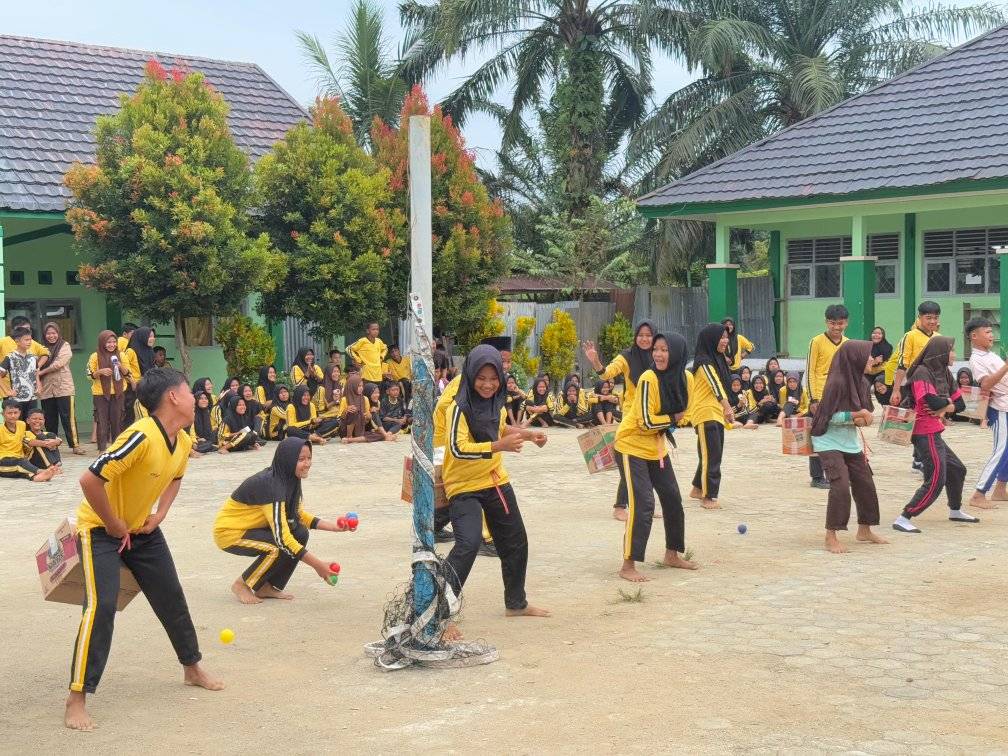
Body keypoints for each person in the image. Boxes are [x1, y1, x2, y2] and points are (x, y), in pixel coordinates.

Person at [64, 368, 222, 731]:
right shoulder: (140, 436)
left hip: (141, 531)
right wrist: (114, 523)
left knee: (171, 596)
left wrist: (160, 514)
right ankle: (77, 697)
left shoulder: (182, 439)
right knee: (101, 606)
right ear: (172, 397)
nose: (194, 395)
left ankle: (192, 667)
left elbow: (176, 477)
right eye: (188, 389)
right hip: (101, 530)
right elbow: (89, 479)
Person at [441, 345, 550, 641]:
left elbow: (498, 428)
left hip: (494, 480)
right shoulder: (458, 408)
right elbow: (457, 448)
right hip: (463, 486)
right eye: (481, 378)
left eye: (493, 378)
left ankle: (516, 603)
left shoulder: (496, 404)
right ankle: (439, 614)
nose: (487, 384)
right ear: (471, 376)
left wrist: (530, 435)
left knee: (515, 540)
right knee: (468, 543)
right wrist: (498, 447)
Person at [213, 437, 348, 604]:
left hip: (252, 528)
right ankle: (242, 585)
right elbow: (282, 538)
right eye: (300, 459)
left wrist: (334, 527)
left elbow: (298, 516)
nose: (307, 464)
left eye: (309, 458)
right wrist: (318, 565)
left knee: (299, 532)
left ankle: (266, 586)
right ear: (287, 460)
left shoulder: (290, 479)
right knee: (277, 547)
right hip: (230, 533)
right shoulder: (271, 485)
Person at [614, 333, 697, 582]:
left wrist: (677, 418)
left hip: (656, 447)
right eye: (656, 350)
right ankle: (628, 564)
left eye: (664, 350)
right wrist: (673, 418)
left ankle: (672, 554)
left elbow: (688, 414)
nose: (658, 355)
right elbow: (646, 421)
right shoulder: (649, 379)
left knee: (672, 498)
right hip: (630, 445)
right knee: (644, 504)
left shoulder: (686, 378)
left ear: (677, 354)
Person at [891, 337, 978, 533]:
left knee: (957, 469)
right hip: (923, 431)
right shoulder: (922, 372)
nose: (954, 354)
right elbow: (931, 401)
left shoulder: (945, 372)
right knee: (937, 477)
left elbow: (961, 405)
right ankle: (905, 516)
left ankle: (955, 510)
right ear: (941, 352)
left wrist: (944, 406)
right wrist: (945, 405)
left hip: (935, 430)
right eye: (952, 350)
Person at [810, 340, 888, 553]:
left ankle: (865, 529)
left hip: (850, 442)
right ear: (855, 358)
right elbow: (825, 416)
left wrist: (866, 419)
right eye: (868, 356)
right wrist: (856, 416)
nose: (872, 359)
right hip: (827, 440)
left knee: (865, 483)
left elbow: (864, 413)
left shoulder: (862, 382)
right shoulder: (836, 381)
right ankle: (831, 535)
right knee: (840, 485)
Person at [583, 320, 655, 521]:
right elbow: (607, 373)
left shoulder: (658, 355)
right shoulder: (627, 356)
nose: (644, 339)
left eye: (649, 335)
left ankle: (644, 504)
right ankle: (619, 506)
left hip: (654, 416)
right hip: (633, 416)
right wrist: (596, 361)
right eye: (641, 334)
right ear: (635, 336)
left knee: (651, 462)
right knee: (630, 461)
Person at [685, 323, 734, 510]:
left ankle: (698, 488)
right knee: (711, 456)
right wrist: (728, 407)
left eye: (726, 337)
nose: (725, 341)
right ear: (711, 340)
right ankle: (709, 496)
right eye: (721, 337)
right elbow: (715, 385)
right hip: (705, 414)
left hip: (715, 413)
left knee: (712, 453)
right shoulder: (704, 361)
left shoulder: (717, 359)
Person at [805, 304, 849, 489]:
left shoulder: (848, 343)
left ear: (846, 323)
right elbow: (810, 371)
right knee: (818, 435)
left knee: (839, 434)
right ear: (826, 322)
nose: (836, 327)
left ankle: (837, 473)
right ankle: (816, 476)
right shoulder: (816, 341)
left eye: (840, 323)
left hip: (840, 396)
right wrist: (813, 399)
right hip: (820, 395)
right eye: (832, 323)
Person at [966, 317, 1008, 509]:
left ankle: (1000, 489)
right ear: (974, 336)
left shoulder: (991, 355)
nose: (991, 336)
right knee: (1000, 450)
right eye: (987, 332)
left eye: (991, 332)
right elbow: (986, 384)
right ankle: (979, 493)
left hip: (1006, 404)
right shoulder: (976, 359)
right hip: (999, 408)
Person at [37, 321, 82, 454]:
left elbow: (59, 363)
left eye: (54, 333)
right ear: (44, 335)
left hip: (64, 388)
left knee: (68, 417)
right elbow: (34, 363)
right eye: (48, 333)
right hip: (46, 389)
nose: (51, 336)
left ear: (58, 333)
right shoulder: (40, 348)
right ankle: (52, 444)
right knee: (50, 419)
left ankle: (75, 445)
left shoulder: (65, 345)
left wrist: (41, 371)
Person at [87, 330, 130, 452]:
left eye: (114, 342)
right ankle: (102, 449)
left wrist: (119, 365)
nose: (111, 345)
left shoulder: (121, 355)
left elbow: (127, 372)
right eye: (108, 342)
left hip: (118, 393)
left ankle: (117, 448)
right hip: (100, 394)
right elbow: (89, 375)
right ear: (102, 343)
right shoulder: (94, 356)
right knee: (102, 421)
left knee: (117, 421)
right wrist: (100, 372)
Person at [0, 398, 58, 481]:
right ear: (3, 414)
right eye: (9, 413)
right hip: (3, 462)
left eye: (15, 413)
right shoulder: (0, 429)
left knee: (22, 467)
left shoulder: (22, 424)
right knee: (20, 463)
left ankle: (36, 477)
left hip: (20, 460)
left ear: (20, 413)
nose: (13, 415)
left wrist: (55, 441)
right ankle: (40, 471)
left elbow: (29, 440)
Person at [0, 325, 43, 420]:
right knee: (18, 424)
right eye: (26, 340)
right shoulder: (10, 357)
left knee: (31, 423)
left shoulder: (33, 358)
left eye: (30, 339)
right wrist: (7, 391)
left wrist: (39, 386)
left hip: (32, 398)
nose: (29, 342)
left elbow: (36, 374)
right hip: (17, 400)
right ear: (17, 341)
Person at [335, 376, 390, 443]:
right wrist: (346, 410)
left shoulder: (365, 399)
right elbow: (339, 419)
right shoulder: (345, 399)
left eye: (362, 386)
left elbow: (367, 418)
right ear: (352, 386)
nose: (361, 388)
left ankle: (350, 440)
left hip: (359, 428)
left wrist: (368, 416)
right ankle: (349, 436)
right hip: (345, 430)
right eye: (359, 386)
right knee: (353, 411)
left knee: (380, 435)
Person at [122, 327, 156, 424]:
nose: (152, 339)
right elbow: (125, 369)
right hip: (133, 389)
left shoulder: (150, 351)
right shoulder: (130, 351)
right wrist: (133, 382)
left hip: (146, 386)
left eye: (153, 336)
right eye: (149, 336)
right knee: (132, 415)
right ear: (142, 337)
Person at [25, 406, 63, 473]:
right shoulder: (25, 433)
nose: (37, 421)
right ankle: (52, 466)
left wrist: (55, 442)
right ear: (28, 421)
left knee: (51, 436)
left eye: (40, 419)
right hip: (32, 461)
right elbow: (30, 442)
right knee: (39, 439)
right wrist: (46, 443)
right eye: (34, 419)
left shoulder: (47, 434)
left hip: (43, 461)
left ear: (44, 421)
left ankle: (55, 464)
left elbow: (59, 440)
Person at [188, 391, 217, 455]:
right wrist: (197, 439)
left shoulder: (207, 411)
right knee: (207, 445)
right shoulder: (192, 413)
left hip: (207, 439)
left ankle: (211, 445)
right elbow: (189, 430)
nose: (204, 400)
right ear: (196, 400)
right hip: (195, 440)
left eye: (206, 398)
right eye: (201, 398)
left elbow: (210, 428)